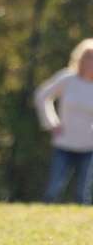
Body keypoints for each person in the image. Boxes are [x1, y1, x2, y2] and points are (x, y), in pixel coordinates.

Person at [34, 38, 93, 205]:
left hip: (89, 145)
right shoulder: (67, 79)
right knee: (54, 189)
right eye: (88, 58)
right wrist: (51, 123)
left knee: (83, 193)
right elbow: (42, 96)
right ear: (80, 59)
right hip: (64, 142)